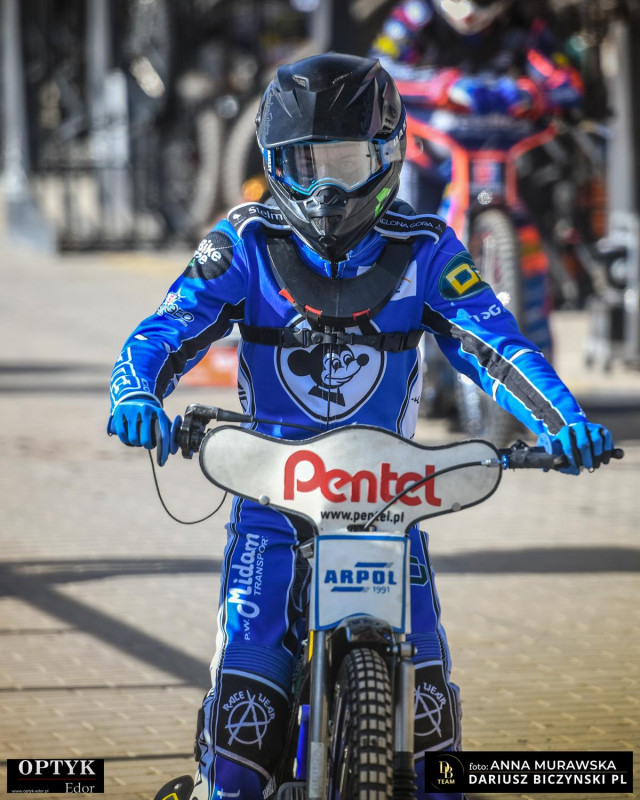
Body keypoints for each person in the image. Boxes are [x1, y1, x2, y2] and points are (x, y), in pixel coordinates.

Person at [108, 52, 615, 800]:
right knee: (239, 751)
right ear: (272, 161)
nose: (325, 190)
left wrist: (564, 421)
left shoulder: (427, 247)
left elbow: (495, 344)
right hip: (270, 513)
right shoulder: (244, 241)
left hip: (388, 512)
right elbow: (165, 329)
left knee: (438, 751)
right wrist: (137, 395)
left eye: (345, 164)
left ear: (387, 157)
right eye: (303, 165)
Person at [370, 0, 585, 216]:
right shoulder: (417, 14)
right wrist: (443, 86)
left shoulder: (522, 22)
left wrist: (530, 93)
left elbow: (567, 85)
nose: (468, 11)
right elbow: (377, 72)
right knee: (403, 214)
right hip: (428, 144)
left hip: (506, 145)